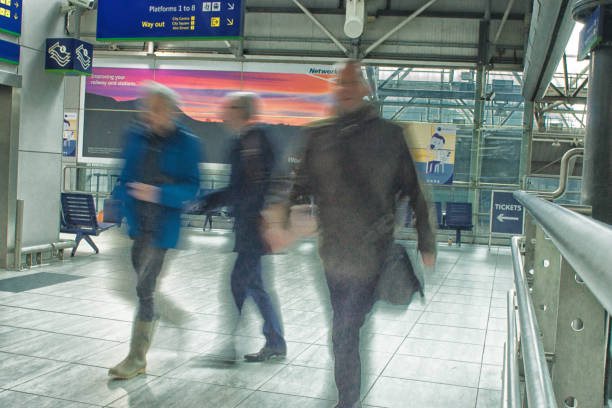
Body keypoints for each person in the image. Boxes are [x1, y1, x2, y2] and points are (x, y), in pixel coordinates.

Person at [286, 61, 436, 408]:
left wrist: (426, 239)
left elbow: (414, 190)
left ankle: (347, 398)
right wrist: (290, 215)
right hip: (333, 252)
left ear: (366, 89)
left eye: (353, 82)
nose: (347, 88)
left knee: (346, 327)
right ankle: (348, 394)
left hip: (373, 252)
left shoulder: (389, 136)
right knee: (345, 326)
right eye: (341, 83)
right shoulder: (319, 137)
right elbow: (300, 185)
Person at [108, 82, 202, 379]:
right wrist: (122, 205)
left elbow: (191, 188)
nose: (150, 113)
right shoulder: (134, 136)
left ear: (172, 112)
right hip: (137, 227)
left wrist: (158, 193)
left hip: (162, 230)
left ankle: (136, 357)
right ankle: (151, 324)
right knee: (140, 288)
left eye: (157, 108)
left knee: (144, 288)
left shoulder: (187, 144)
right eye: (147, 107)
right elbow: (123, 176)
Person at [204, 92, 287, 362]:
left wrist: (211, 201)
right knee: (253, 285)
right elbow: (238, 189)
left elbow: (254, 188)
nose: (224, 113)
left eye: (230, 108)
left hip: (254, 228)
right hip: (249, 227)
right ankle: (274, 341)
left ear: (243, 111)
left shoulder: (255, 142)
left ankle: (228, 346)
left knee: (239, 283)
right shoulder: (241, 143)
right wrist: (209, 201)